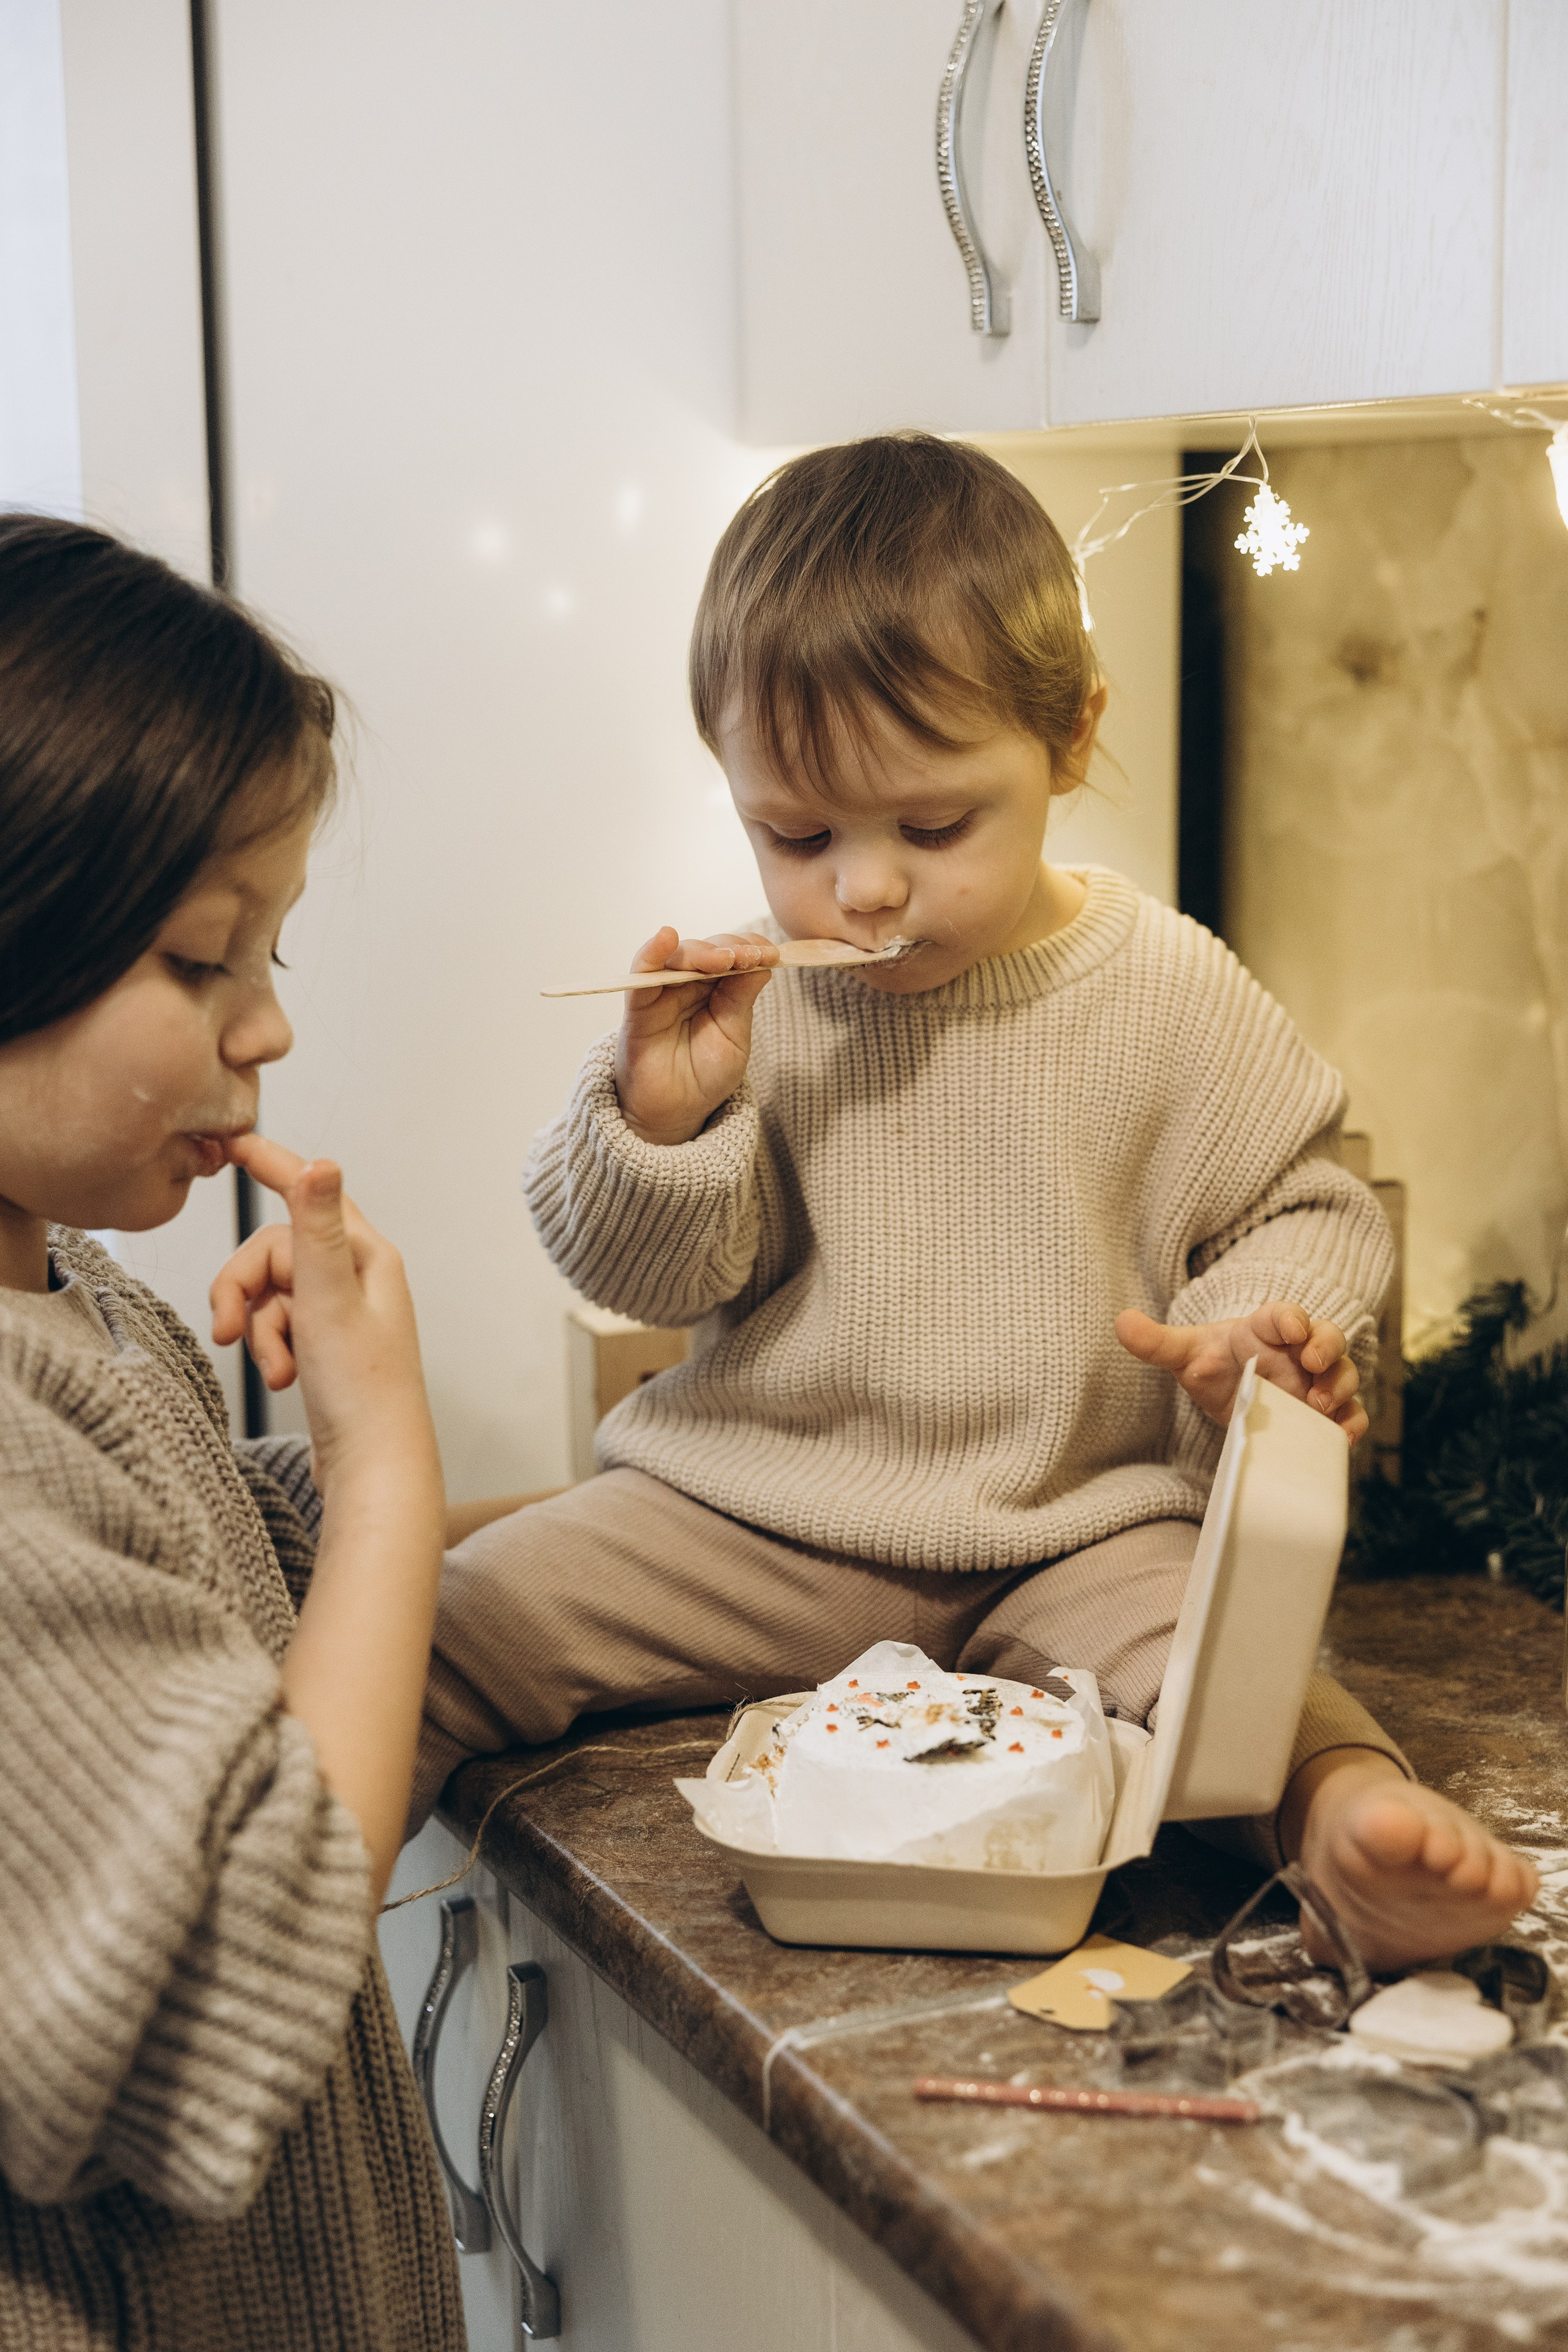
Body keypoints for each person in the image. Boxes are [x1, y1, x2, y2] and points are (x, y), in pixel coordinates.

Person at [417, 434, 1537, 1972]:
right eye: (796, 835)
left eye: (930, 828)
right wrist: (662, 1122)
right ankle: (270, 1907)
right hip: (752, 1520)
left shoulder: (1164, 988)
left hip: (1073, 1536)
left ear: (1069, 742)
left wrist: (1254, 1335)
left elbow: (1312, 1204)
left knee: (1233, 1678)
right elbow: (647, 1274)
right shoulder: (747, 999)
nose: (861, 891)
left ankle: (1348, 1831)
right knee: (456, 1620)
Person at [0, 513, 464, 2350]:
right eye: (201, 962)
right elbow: (243, 1953)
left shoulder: (81, 1307)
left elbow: (210, 1597)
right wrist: (389, 1472)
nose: (266, 1027)